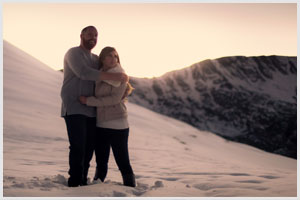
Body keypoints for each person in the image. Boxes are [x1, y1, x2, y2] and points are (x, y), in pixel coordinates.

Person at [60, 26, 128, 187]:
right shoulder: (73, 53)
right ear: (81, 35)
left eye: (96, 35)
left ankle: (83, 179)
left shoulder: (96, 58)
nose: (93, 37)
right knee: (78, 145)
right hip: (74, 105)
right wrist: (115, 76)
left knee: (89, 146)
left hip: (91, 109)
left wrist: (123, 80)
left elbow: (110, 66)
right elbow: (84, 72)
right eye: (90, 34)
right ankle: (75, 181)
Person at [79, 46, 136, 187]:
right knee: (101, 160)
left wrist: (89, 101)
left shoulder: (120, 76)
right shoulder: (99, 74)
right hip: (101, 123)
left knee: (122, 160)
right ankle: (98, 187)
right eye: (109, 56)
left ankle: (131, 188)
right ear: (103, 59)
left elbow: (113, 99)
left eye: (115, 56)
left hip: (118, 123)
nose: (113, 59)